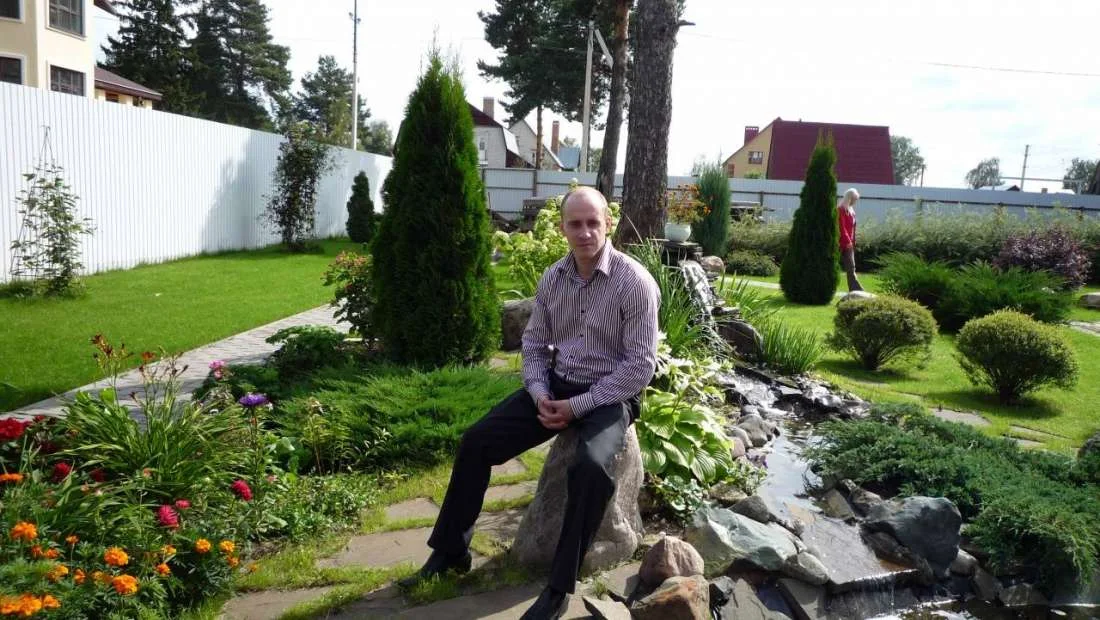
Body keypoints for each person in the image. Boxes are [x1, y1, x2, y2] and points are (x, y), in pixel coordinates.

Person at [401, 186, 660, 620]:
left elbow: (639, 367)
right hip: (556, 387)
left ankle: (559, 588)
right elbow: (536, 344)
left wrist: (577, 407)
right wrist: (541, 394)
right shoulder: (554, 278)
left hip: (610, 394)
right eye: (575, 224)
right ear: (562, 228)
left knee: (590, 469)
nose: (584, 232)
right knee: (477, 442)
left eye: (593, 222)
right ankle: (451, 552)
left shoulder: (634, 282)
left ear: (608, 224)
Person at [838, 187, 864, 292]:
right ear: (850, 198)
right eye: (854, 199)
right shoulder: (841, 210)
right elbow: (842, 227)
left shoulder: (852, 211)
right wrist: (848, 240)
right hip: (841, 242)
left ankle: (855, 289)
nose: (855, 202)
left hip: (849, 243)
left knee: (851, 266)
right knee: (836, 265)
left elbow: (852, 228)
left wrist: (853, 241)